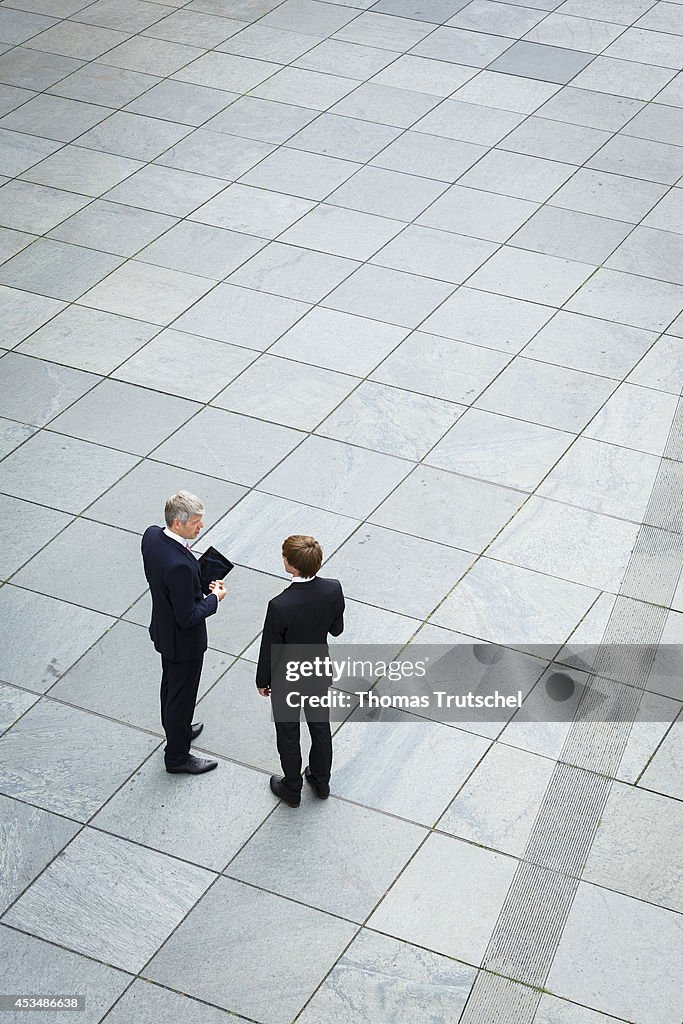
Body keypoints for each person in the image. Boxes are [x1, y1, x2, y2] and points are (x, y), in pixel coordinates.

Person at [256, 535, 345, 807]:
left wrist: (263, 680)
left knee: (288, 733)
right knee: (320, 727)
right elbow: (336, 629)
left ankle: (292, 788)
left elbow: (271, 648)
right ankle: (320, 781)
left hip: (287, 679)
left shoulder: (280, 605)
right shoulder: (333, 589)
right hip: (317, 670)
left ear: (291, 566)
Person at [141, 491, 226, 774]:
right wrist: (214, 599)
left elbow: (167, 584)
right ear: (178, 523)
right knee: (181, 695)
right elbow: (188, 616)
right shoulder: (178, 566)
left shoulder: (152, 536)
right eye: (195, 523)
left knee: (171, 687)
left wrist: (194, 583)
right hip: (183, 643)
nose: (200, 527)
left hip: (164, 632)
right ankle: (177, 756)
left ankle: (178, 730)